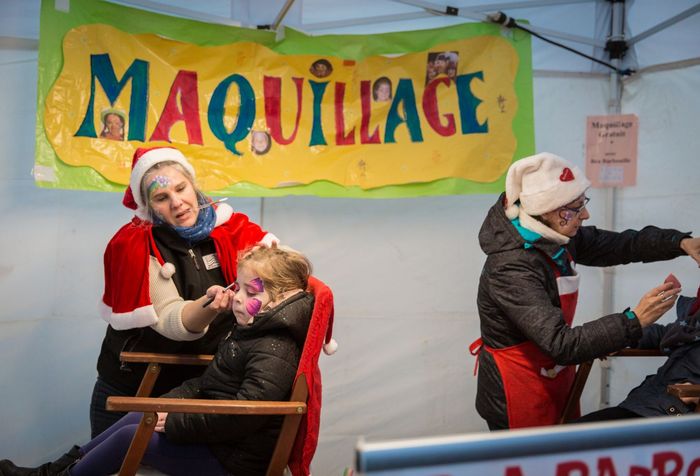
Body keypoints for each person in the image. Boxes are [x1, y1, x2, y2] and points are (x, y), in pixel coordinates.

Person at [0, 244, 314, 476]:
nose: (239, 299)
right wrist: (167, 404)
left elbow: (245, 415)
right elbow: (209, 385)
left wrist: (176, 421)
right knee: (141, 414)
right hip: (216, 440)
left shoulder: (274, 346)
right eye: (239, 288)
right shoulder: (253, 330)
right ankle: (55, 471)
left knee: (129, 436)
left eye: (251, 291)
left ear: (283, 298)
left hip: (231, 460)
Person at [471, 152, 700, 430]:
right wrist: (634, 320)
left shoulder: (556, 237)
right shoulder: (511, 268)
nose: (586, 214)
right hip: (518, 383)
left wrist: (680, 243)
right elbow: (561, 344)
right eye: (577, 207)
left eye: (583, 203)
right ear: (548, 210)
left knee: (561, 455)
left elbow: (623, 245)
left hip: (553, 372)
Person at [91, 146, 278, 438]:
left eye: (181, 188)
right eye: (162, 198)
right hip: (132, 385)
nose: (177, 203)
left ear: (194, 185)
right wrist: (210, 306)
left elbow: (282, 272)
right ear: (149, 206)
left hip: (194, 388)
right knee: (102, 464)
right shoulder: (137, 245)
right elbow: (169, 320)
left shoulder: (231, 230)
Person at [574, 283, 700, 422]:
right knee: (564, 436)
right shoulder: (693, 319)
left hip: (675, 416)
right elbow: (662, 334)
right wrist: (619, 338)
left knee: (567, 440)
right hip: (648, 403)